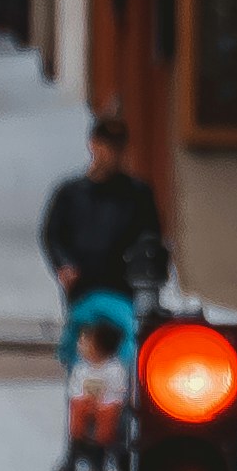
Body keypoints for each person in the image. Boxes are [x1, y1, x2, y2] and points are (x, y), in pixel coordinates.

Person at [40, 103, 166, 319]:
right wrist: (64, 265)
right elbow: (53, 235)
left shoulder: (137, 194)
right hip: (82, 284)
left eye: (117, 148)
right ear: (93, 145)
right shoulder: (70, 193)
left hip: (123, 285)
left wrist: (143, 268)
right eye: (106, 146)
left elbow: (150, 236)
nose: (111, 154)